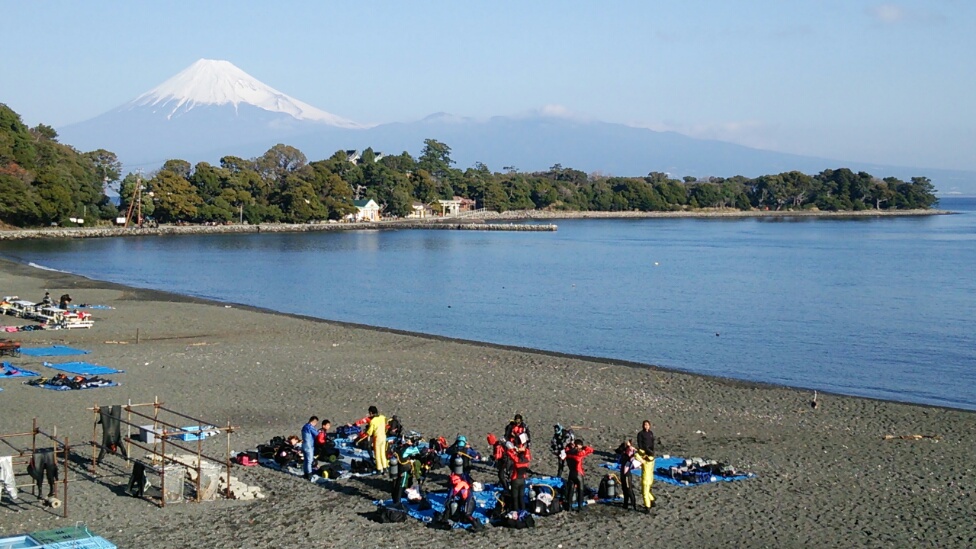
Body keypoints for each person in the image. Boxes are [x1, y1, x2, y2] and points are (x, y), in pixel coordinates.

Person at [563, 439, 594, 512]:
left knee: (571, 490)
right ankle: (580, 506)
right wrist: (582, 447)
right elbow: (590, 450)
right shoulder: (579, 453)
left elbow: (566, 449)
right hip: (578, 473)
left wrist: (573, 446)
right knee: (580, 490)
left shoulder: (568, 452)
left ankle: (569, 507)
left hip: (571, 473)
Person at [505, 437, 532, 513]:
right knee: (521, 497)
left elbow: (509, 453)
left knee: (515, 497)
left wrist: (514, 449)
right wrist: (523, 449)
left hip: (515, 480)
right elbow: (527, 454)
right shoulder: (527, 461)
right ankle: (523, 510)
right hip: (523, 480)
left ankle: (516, 511)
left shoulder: (516, 460)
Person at [636, 420, 656, 511]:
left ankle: (647, 507)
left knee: (644, 492)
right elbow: (640, 444)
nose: (646, 426)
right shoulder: (641, 434)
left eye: (647, 425)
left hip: (646, 477)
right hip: (650, 477)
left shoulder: (645, 462)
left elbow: (636, 456)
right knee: (647, 490)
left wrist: (640, 454)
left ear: (649, 426)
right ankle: (652, 500)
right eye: (645, 424)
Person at [363, 406, 389, 473]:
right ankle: (385, 467)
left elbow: (370, 432)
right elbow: (386, 425)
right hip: (384, 437)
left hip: (377, 438)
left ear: (371, 413)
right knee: (383, 453)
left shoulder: (373, 421)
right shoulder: (383, 417)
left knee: (377, 454)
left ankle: (379, 469)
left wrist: (366, 432)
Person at [616, 439, 638, 511]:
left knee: (629, 489)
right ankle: (625, 504)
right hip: (622, 473)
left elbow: (634, 452)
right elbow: (618, 450)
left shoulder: (631, 453)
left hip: (627, 474)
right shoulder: (624, 452)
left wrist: (630, 447)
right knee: (624, 489)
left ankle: (633, 504)